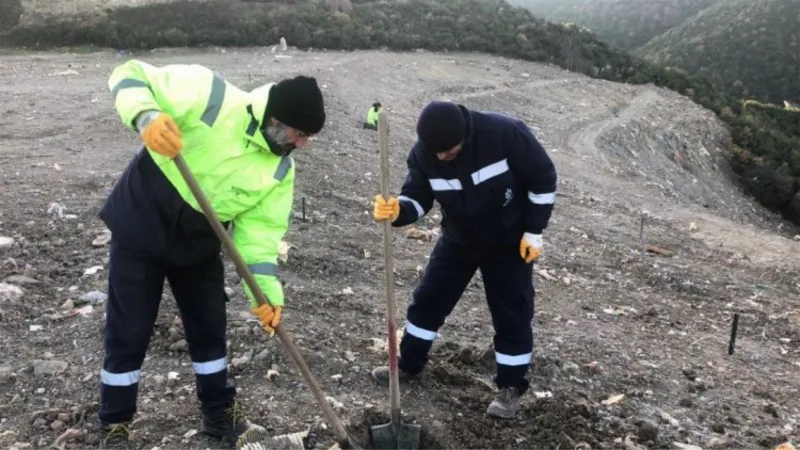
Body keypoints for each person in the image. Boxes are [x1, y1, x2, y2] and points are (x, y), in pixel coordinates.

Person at [98, 59, 325, 449]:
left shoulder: (279, 171)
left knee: (209, 329)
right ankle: (115, 425)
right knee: (130, 330)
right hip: (142, 220)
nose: (302, 144)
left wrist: (266, 295)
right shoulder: (210, 94)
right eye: (300, 133)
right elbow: (130, 74)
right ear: (276, 118)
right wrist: (146, 116)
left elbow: (259, 238)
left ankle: (218, 413)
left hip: (199, 240)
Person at [370, 100, 557, 419]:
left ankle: (510, 388)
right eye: (436, 153)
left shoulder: (504, 135)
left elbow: (543, 178)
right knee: (428, 300)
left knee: (511, 312)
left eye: (450, 152)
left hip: (509, 240)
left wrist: (534, 230)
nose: (443, 158)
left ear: (466, 136)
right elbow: (418, 197)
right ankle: (409, 366)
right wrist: (399, 210)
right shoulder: (424, 154)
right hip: (460, 238)